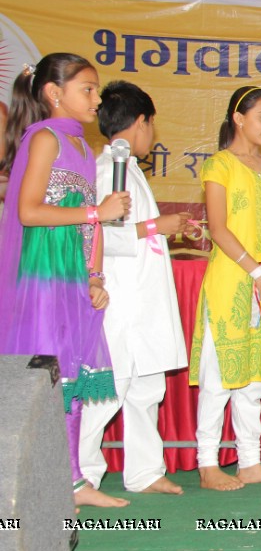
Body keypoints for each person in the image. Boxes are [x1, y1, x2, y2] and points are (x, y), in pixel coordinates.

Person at [0, 54, 130, 507]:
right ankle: (35, 482)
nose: (97, 99)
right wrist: (98, 211)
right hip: (43, 275)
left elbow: (87, 225)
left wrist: (94, 276)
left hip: (72, 274)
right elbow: (28, 211)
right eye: (88, 89)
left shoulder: (82, 147)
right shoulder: (46, 138)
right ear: (55, 94)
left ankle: (73, 482)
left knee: (72, 373)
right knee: (46, 377)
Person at [78, 81, 189, 496]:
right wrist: (159, 227)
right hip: (119, 298)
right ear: (141, 121)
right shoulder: (109, 169)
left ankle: (144, 472)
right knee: (108, 390)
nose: (151, 134)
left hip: (143, 299)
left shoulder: (129, 170)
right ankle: (82, 475)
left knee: (146, 387)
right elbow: (100, 236)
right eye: (151, 124)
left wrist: (157, 229)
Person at [189, 86, 261, 491]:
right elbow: (218, 228)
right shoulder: (219, 165)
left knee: (253, 381)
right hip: (233, 282)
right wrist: (258, 273)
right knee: (219, 376)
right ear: (239, 118)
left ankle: (249, 461)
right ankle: (207, 463)